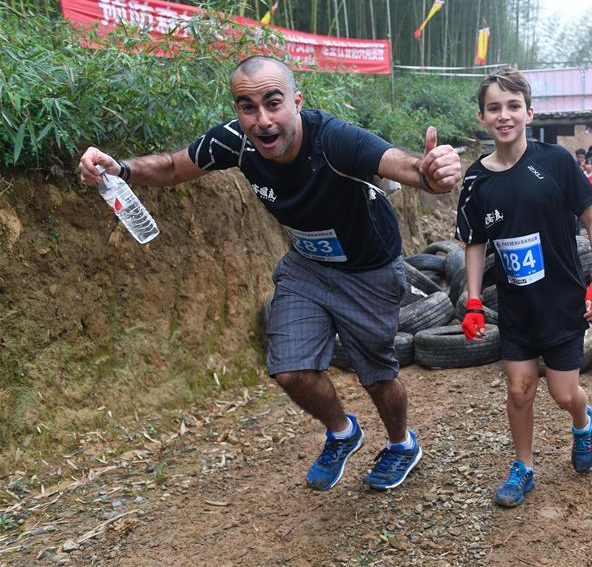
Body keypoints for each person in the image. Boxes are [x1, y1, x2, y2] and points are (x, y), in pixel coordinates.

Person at [78, 55, 462, 492]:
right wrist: (119, 168)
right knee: (289, 370)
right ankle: (342, 432)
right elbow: (171, 166)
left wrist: (431, 174)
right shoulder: (235, 142)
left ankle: (400, 443)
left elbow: (404, 165)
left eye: (273, 103)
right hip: (307, 267)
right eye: (247, 106)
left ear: (296, 102)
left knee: (376, 374)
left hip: (368, 269)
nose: (262, 120)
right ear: (237, 110)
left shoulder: (334, 140)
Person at [455, 68, 592, 508]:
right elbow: (474, 243)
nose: (504, 116)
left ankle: (583, 422)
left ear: (529, 112)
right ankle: (523, 467)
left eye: (512, 107)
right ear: (482, 116)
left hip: (562, 302)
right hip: (516, 308)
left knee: (564, 394)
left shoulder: (555, 162)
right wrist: (472, 301)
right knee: (519, 390)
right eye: (494, 108)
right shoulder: (475, 181)